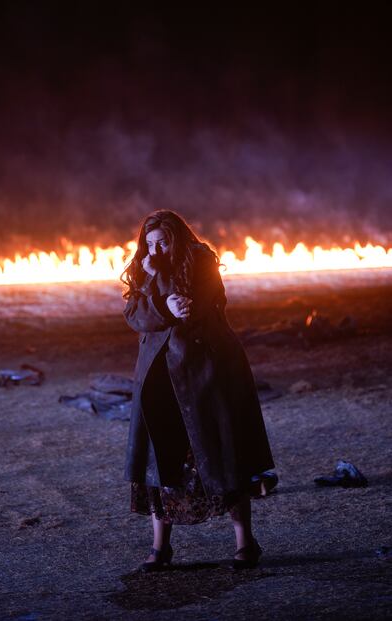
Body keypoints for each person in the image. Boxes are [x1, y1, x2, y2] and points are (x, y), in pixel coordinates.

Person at [120, 209, 275, 571]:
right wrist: (159, 295)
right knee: (159, 462)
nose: (156, 249)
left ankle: (245, 543)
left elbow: (195, 307)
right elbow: (134, 315)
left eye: (164, 242)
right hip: (159, 378)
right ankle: (160, 548)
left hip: (206, 376)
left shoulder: (201, 262)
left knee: (223, 456)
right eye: (150, 243)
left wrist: (169, 296)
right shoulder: (146, 269)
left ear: (179, 240)